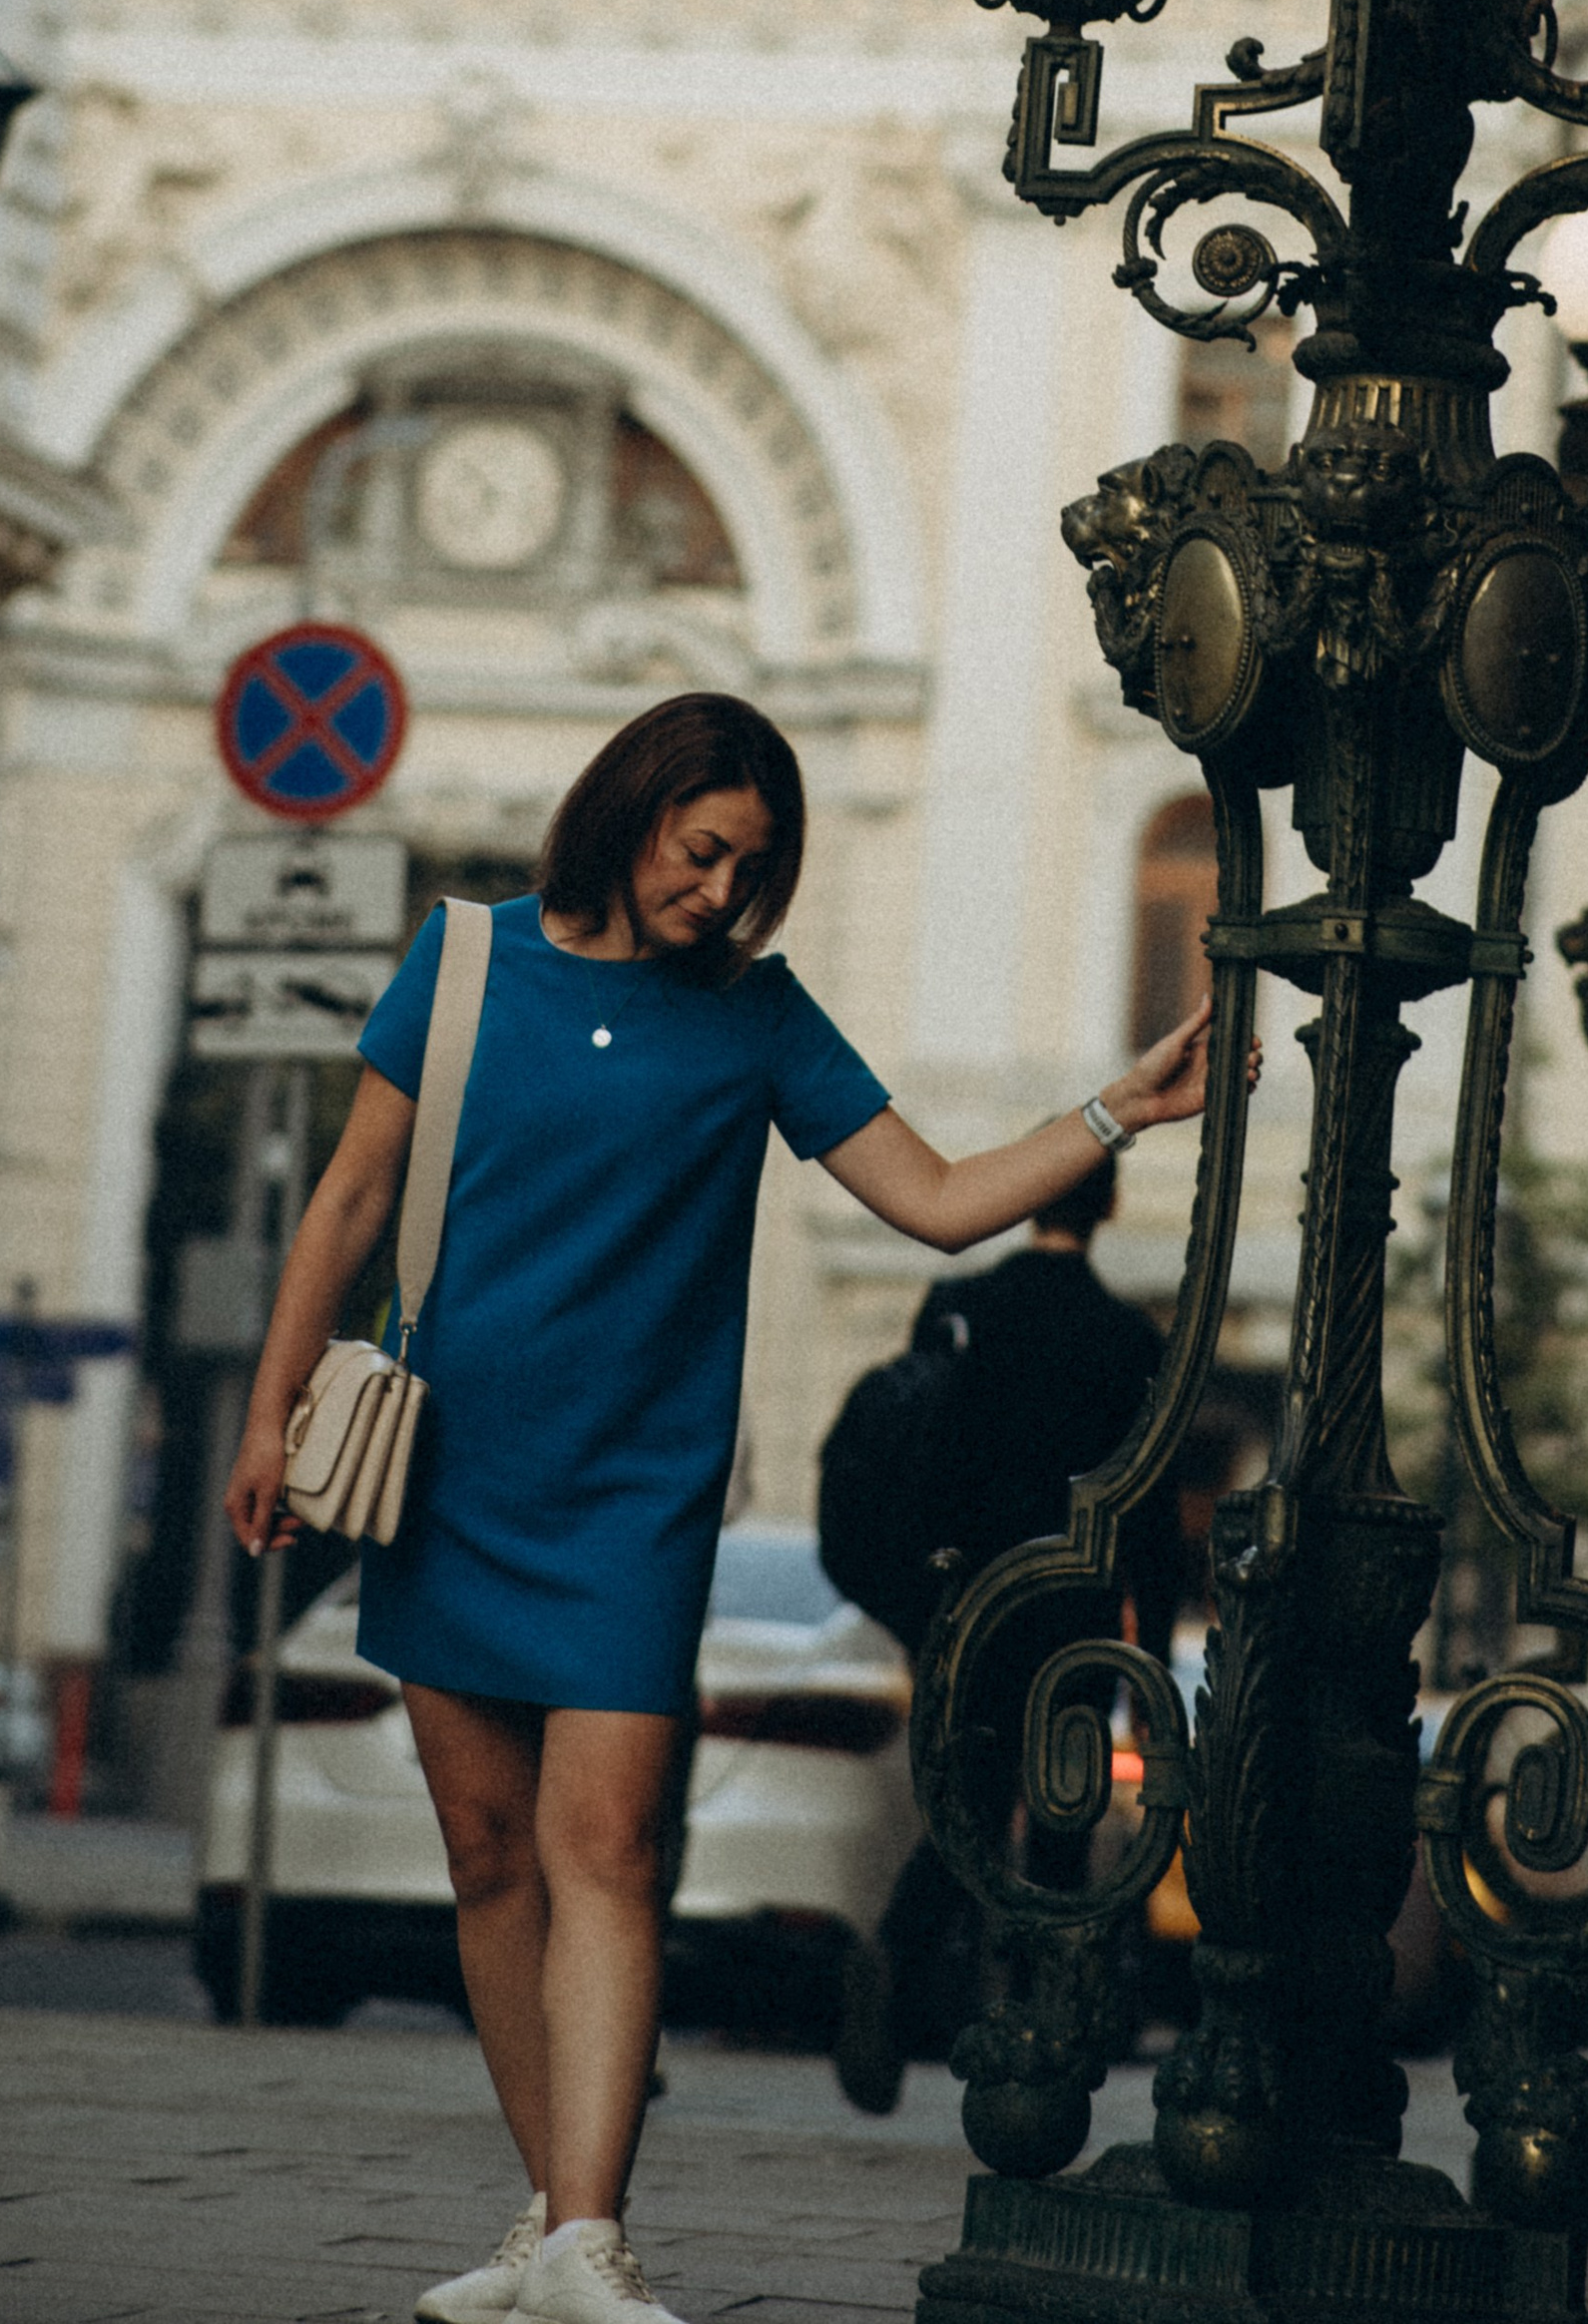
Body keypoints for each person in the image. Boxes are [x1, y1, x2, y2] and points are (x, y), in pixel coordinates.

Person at [223, 693, 1233, 2324]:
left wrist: (1119, 1110)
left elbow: (936, 1201)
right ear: (633, 813)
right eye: (704, 853)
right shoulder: (468, 963)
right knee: (487, 1856)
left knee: (605, 1845)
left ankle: (592, 2245)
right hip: (448, 1465)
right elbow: (346, 1197)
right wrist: (270, 1416)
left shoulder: (758, 1019)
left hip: (635, 1491)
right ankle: (547, 2224)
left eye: (750, 869)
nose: (720, 893)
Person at [829, 1154, 1183, 2115]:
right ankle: (1039, 2037)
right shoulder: (1127, 1340)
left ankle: (900, 1960)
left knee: (970, 1810)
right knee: (1060, 1829)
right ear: (1109, 1204)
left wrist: (917, 1607)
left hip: (969, 1608)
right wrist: (1147, 1657)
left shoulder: (961, 1307)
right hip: (1074, 1618)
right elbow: (1150, 1519)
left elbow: (916, 1458)